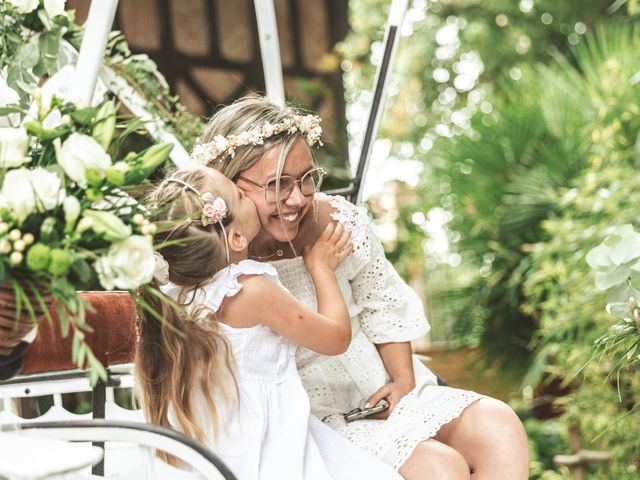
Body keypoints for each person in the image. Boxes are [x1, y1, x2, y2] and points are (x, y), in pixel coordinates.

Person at [192, 95, 530, 480]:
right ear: (227, 187)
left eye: (307, 178)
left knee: (499, 425)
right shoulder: (219, 265)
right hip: (311, 423)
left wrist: (402, 382)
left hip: (383, 391)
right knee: (438, 468)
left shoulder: (338, 222)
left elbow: (381, 304)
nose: (299, 197)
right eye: (277, 184)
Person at [135, 166, 402, 480]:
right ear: (235, 237)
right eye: (238, 195)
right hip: (267, 443)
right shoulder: (249, 289)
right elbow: (336, 338)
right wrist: (321, 269)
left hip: (213, 441)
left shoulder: (169, 294)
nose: (247, 194)